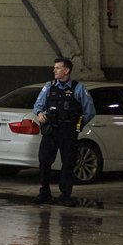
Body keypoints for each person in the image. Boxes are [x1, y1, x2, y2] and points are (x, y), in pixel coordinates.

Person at [32, 57, 95, 205]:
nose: (54, 70)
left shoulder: (78, 88)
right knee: (44, 161)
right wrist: (40, 114)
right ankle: (45, 192)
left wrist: (76, 126)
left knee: (68, 163)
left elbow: (89, 111)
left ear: (66, 70)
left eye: (58, 68)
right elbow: (37, 105)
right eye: (54, 68)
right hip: (51, 131)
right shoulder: (49, 86)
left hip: (68, 132)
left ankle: (65, 195)